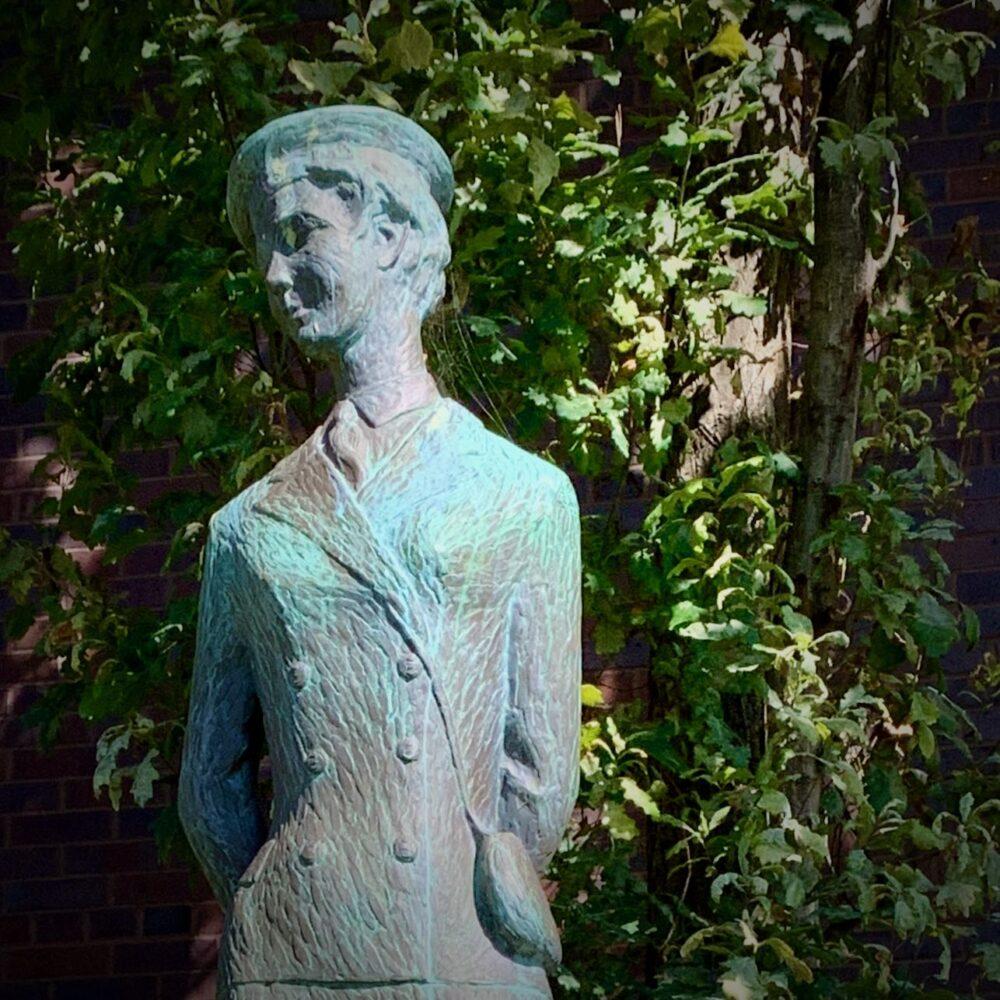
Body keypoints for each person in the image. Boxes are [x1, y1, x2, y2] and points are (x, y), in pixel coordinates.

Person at [178, 105, 581, 999]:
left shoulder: (522, 495)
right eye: (265, 248)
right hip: (293, 961)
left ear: (393, 237)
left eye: (300, 234)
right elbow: (209, 785)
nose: (274, 272)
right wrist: (280, 908)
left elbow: (542, 779)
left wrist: (455, 908)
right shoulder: (247, 527)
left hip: (462, 954)